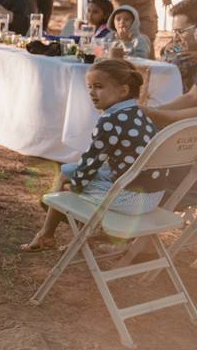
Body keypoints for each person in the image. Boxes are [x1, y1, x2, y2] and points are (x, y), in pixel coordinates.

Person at [21, 59, 165, 252]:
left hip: (131, 199)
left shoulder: (110, 120)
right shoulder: (140, 114)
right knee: (70, 172)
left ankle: (52, 234)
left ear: (123, 91)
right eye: (89, 87)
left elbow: (91, 163)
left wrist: (73, 189)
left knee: (67, 183)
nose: (91, 92)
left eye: (98, 87)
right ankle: (55, 235)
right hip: (153, 194)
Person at [160, 0, 197, 93]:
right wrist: (165, 49)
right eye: (174, 31)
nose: (176, 38)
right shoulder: (177, 42)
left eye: (181, 31)